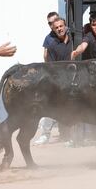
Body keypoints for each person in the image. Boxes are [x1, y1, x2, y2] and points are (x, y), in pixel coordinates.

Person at [34, 11, 61, 145]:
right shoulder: (48, 38)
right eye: (50, 23)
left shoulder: (66, 34)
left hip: (68, 74)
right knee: (49, 104)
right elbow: (45, 56)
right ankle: (45, 134)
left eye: (54, 21)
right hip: (54, 75)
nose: (52, 24)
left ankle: (67, 135)